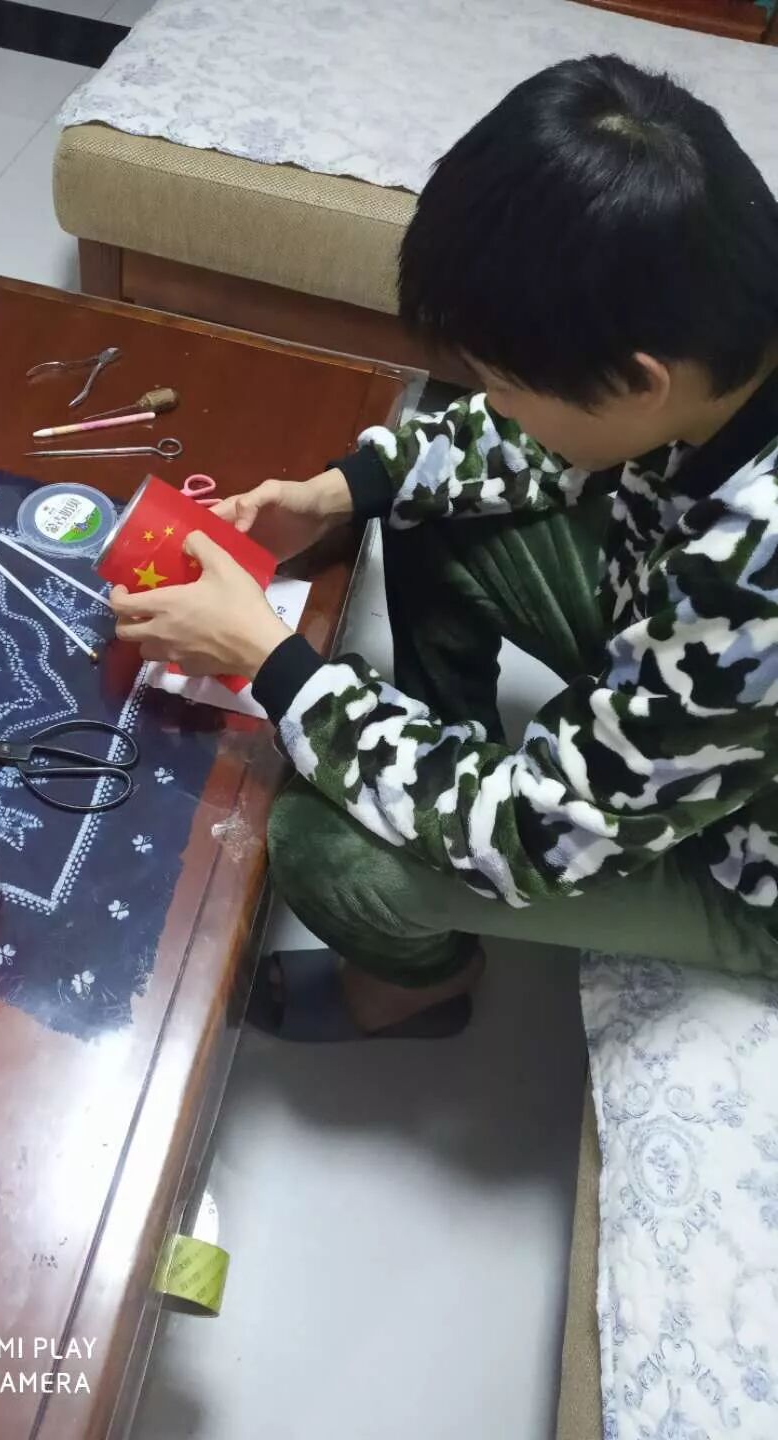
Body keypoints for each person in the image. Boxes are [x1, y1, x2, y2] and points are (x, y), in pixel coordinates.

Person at [110, 54, 778, 1040]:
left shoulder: (752, 573)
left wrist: (276, 664)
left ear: (643, 384)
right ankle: (442, 756)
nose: (493, 405)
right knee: (425, 509)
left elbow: (537, 835)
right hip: (685, 656)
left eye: (503, 385)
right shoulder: (723, 328)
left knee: (323, 843)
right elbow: (551, 438)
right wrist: (339, 493)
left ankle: (419, 986)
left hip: (747, 854)